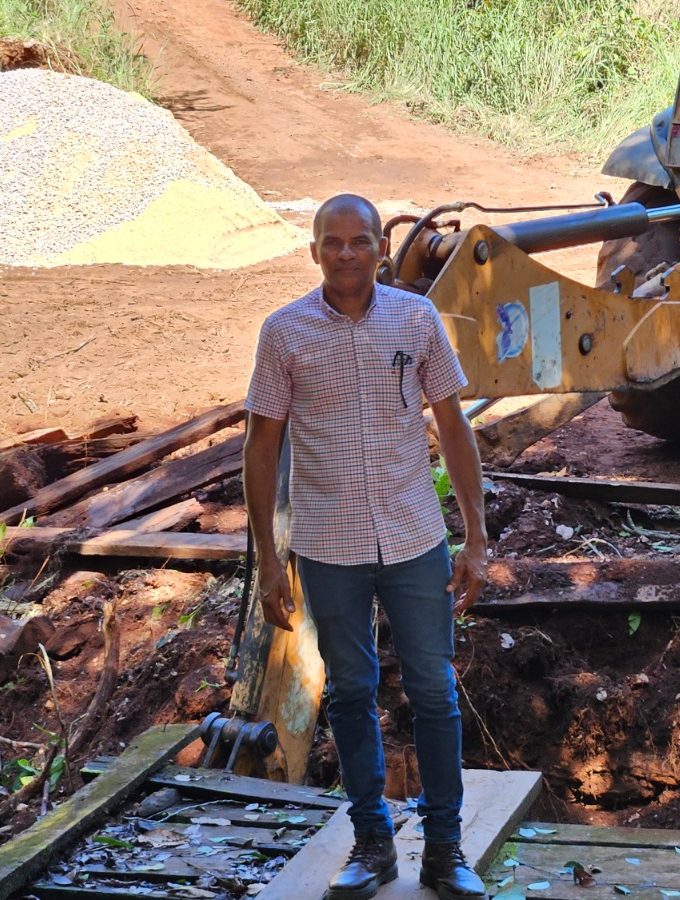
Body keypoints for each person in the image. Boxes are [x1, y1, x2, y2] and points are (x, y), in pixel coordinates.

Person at [243, 193, 490, 900]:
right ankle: (373, 843)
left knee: (433, 689)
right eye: (333, 242)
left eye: (360, 241)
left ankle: (444, 849)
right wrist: (268, 562)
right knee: (351, 692)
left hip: (414, 538)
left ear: (382, 249)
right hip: (329, 546)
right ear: (314, 251)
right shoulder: (284, 333)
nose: (346, 253)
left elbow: (453, 426)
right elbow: (261, 448)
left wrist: (475, 537)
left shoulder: (416, 319)